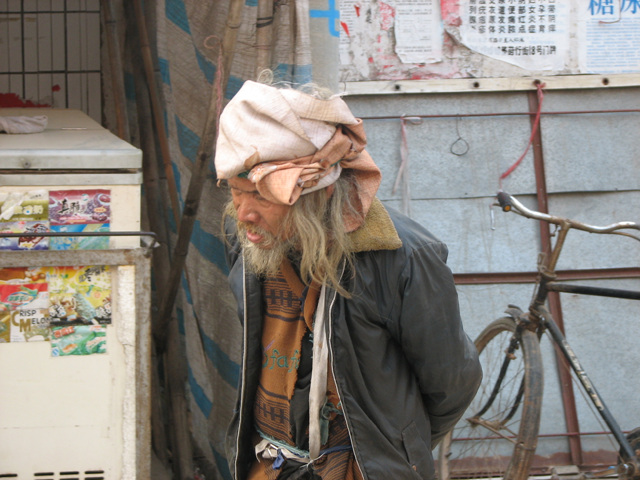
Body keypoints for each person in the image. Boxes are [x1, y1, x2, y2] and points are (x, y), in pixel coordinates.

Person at [215, 79, 482, 480]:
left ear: (318, 195)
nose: (244, 215)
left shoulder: (401, 258)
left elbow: (452, 384)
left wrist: (393, 449)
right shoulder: (249, 240)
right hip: (269, 466)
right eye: (237, 193)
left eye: (263, 198)